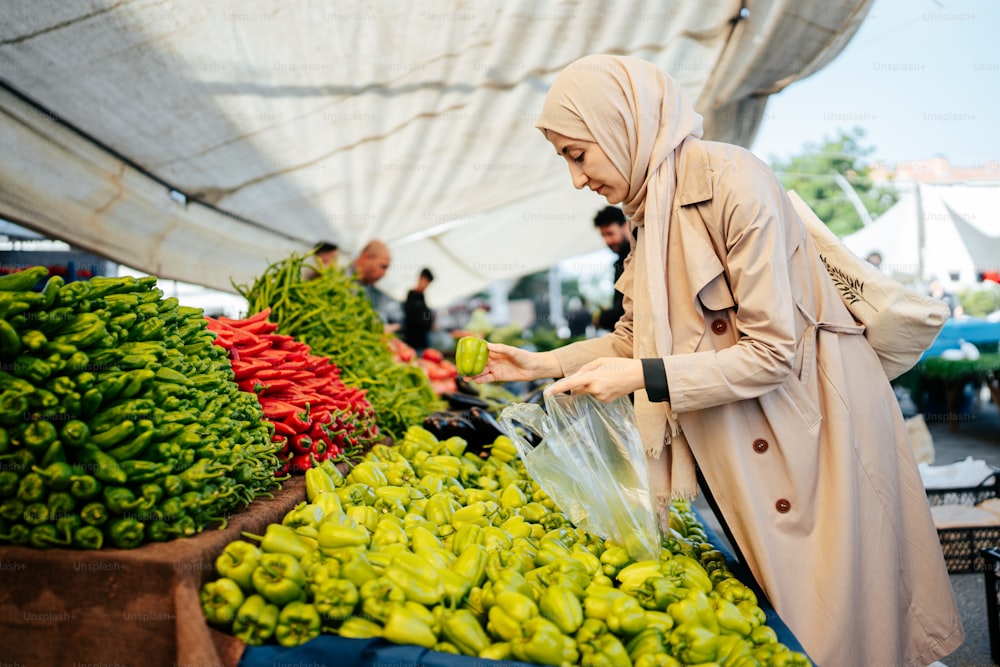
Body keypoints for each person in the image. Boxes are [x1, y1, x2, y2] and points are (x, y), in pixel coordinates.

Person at [472, 54, 962, 667]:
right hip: (744, 434)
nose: (577, 179)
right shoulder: (649, 213)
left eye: (578, 154)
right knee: (793, 627)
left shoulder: (734, 180)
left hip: (812, 433)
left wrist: (645, 378)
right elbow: (633, 341)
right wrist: (538, 363)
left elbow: (772, 352)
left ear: (620, 124)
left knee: (840, 626)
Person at [592, 206, 631, 330]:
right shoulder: (620, 262)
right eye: (603, 235)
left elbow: (626, 309)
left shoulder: (634, 259)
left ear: (625, 226)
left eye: (610, 233)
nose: (607, 240)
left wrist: (602, 318)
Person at [402, 267, 435, 351]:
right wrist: (427, 322)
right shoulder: (411, 295)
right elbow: (411, 316)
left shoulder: (422, 297)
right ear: (420, 278)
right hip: (412, 340)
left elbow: (427, 314)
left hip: (422, 340)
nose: (426, 285)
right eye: (426, 281)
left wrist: (430, 321)